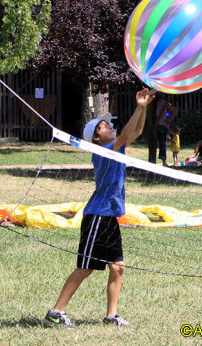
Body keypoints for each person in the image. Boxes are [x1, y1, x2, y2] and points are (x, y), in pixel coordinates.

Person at [43, 88, 154, 329]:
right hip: (97, 217)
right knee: (85, 268)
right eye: (104, 126)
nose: (110, 126)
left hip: (109, 217)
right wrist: (138, 107)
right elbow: (126, 134)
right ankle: (56, 312)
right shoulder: (105, 150)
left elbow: (136, 131)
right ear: (96, 137)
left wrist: (143, 109)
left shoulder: (116, 146)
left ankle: (111, 316)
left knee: (117, 267)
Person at [155, 94, 178, 166]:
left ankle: (163, 162)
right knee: (161, 144)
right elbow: (175, 110)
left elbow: (175, 110)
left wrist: (168, 120)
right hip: (158, 125)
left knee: (162, 144)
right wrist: (168, 121)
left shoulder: (163, 103)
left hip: (161, 125)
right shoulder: (156, 102)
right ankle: (161, 162)